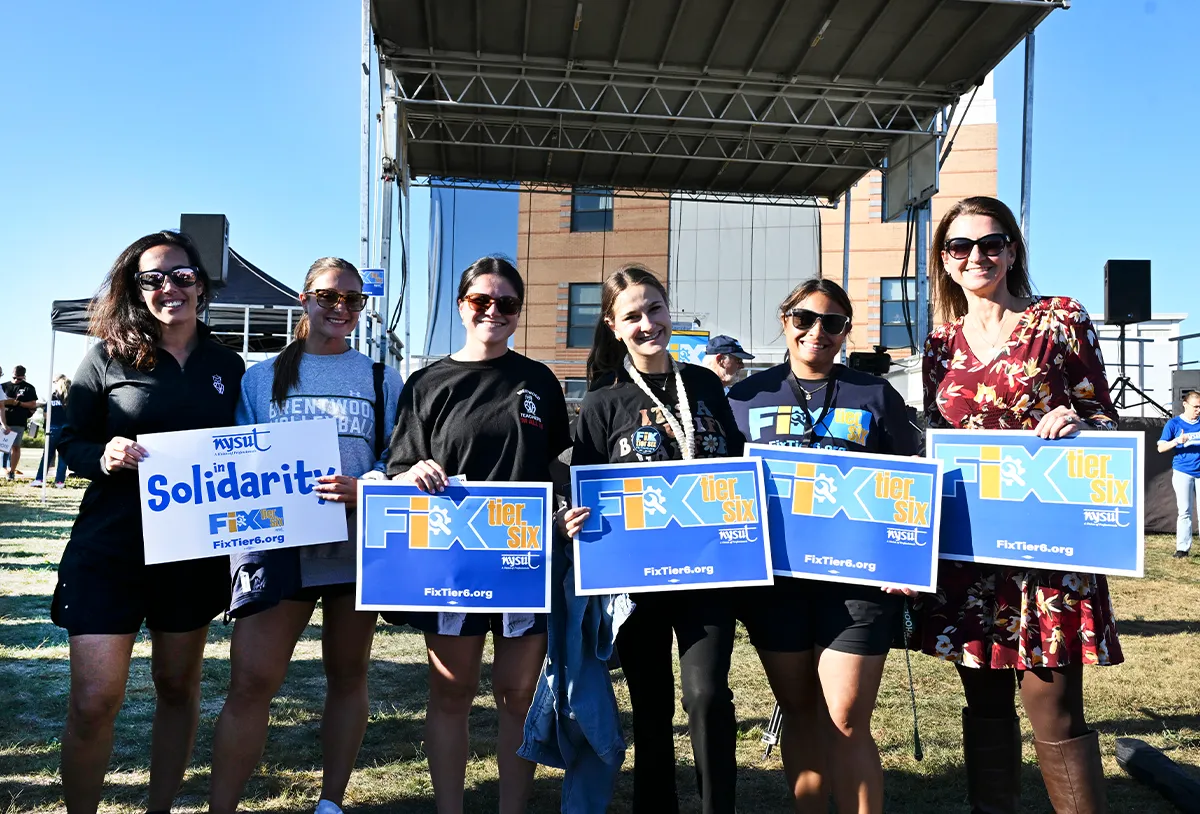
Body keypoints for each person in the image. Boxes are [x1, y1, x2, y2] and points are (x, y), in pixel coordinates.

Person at [918, 196, 1119, 813]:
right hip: (970, 551)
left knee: (1053, 707)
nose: (976, 256)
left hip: (1048, 545)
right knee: (984, 704)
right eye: (960, 246)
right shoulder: (939, 344)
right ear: (944, 259)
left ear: (1012, 251)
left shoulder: (1059, 318)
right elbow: (935, 440)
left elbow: (1104, 416)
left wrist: (1079, 424)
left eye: (991, 243)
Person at [53, 231, 245, 814]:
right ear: (136, 289)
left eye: (182, 275)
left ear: (201, 284)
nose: (169, 288)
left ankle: (159, 808)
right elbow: (70, 440)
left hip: (190, 552)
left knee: (177, 687)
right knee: (93, 701)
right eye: (153, 278)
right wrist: (103, 455)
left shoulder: (227, 364)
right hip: (110, 549)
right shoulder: (106, 356)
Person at [209, 258, 402, 814]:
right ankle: (221, 806)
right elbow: (236, 459)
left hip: (353, 545)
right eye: (327, 296)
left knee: (348, 674)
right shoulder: (261, 376)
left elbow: (396, 454)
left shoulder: (379, 377)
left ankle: (330, 802)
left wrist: (366, 486)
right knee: (251, 682)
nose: (340, 308)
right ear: (304, 298)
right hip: (279, 545)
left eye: (352, 299)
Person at [384, 256, 571, 814]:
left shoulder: (538, 381)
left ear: (519, 311)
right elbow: (398, 467)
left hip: (524, 562)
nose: (493, 311)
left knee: (518, 695)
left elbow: (560, 467)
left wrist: (565, 509)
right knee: (452, 691)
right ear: (461, 306)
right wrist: (411, 473)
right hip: (453, 563)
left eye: (506, 303)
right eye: (481, 301)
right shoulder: (427, 382)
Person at [726, 278, 917, 814]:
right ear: (784, 321)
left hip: (858, 583)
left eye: (832, 322)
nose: (817, 331)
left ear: (845, 330)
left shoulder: (875, 394)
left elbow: (912, 481)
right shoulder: (743, 398)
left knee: (847, 717)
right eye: (804, 319)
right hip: (776, 583)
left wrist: (906, 558)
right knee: (799, 710)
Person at [568, 264, 743, 814]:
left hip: (709, 569)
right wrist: (572, 517)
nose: (648, 324)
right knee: (650, 704)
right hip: (636, 576)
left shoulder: (705, 384)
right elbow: (583, 486)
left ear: (669, 308)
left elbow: (736, 461)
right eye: (633, 316)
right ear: (613, 326)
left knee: (706, 696)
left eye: (655, 309)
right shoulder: (603, 401)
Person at [1158, 390, 1200, 559]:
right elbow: (1161, 447)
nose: (1198, 410)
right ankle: (1182, 549)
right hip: (1183, 472)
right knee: (1185, 511)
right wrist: (1177, 441)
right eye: (1195, 407)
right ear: (1185, 405)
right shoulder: (1174, 424)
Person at [32, 374, 72, 487]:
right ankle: (60, 481)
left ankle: (40, 479)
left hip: (53, 428)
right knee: (63, 456)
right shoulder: (72, 397)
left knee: (47, 455)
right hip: (67, 429)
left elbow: (46, 414)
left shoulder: (53, 396)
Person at [2, 364, 39, 478]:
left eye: (19, 379)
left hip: (18, 421)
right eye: (14, 378)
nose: (16, 380)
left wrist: (18, 403)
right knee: (3, 447)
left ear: (23, 376)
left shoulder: (29, 388)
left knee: (15, 447)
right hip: (3, 420)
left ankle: (12, 472)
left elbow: (33, 404)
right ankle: (4, 469)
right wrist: (7, 402)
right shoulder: (3, 386)